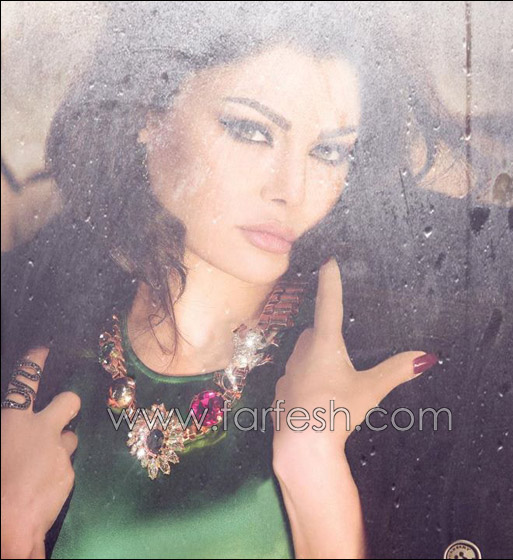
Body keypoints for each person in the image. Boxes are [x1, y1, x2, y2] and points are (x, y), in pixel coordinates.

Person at [1, 3, 441, 558]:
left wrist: (314, 464)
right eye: (251, 131)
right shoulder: (30, 317)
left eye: (329, 151)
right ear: (149, 111)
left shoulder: (374, 366)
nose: (292, 189)